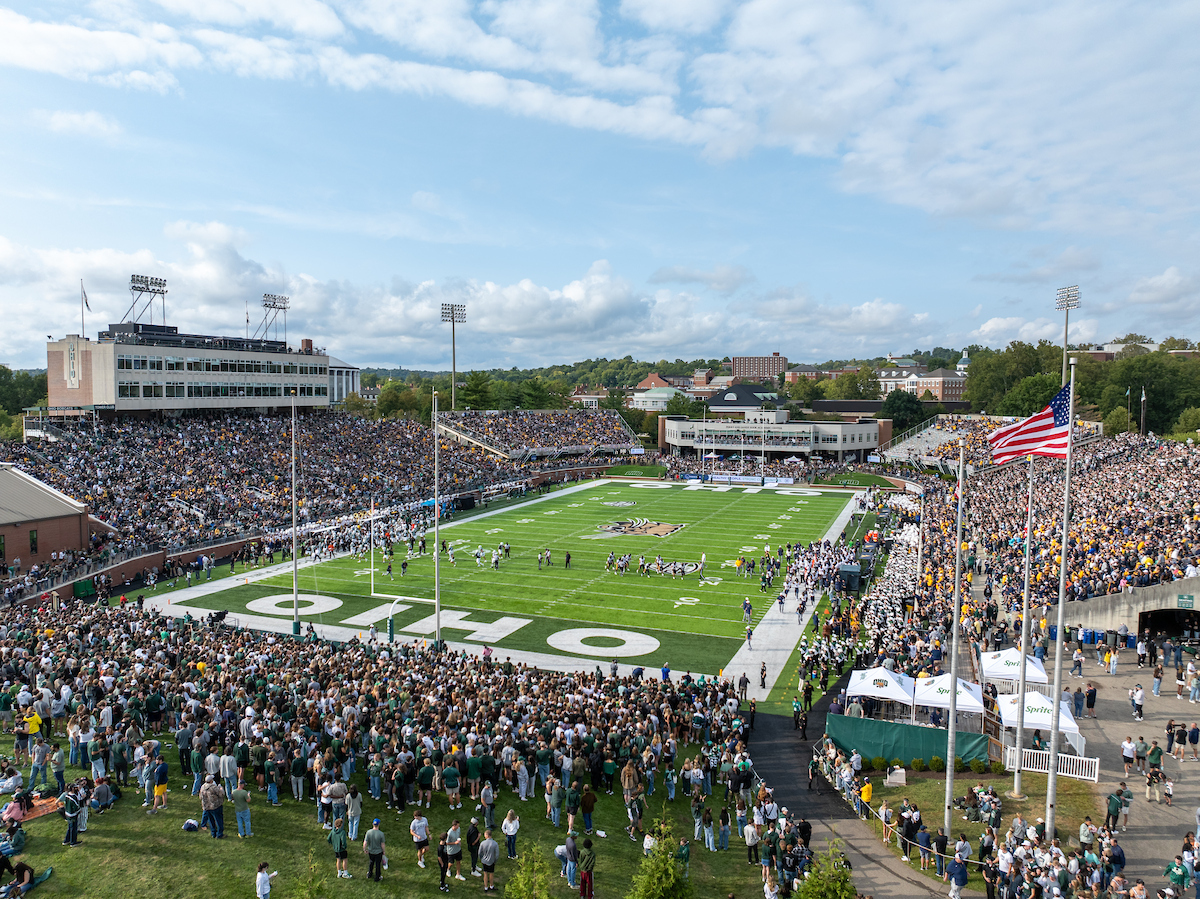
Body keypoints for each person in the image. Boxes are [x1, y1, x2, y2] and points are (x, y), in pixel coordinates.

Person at [364, 818, 386, 882]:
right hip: (378, 852)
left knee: (371, 862)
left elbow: (365, 842)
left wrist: (364, 849)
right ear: (379, 824)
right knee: (378, 864)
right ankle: (377, 877)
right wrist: (383, 851)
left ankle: (369, 874)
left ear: (373, 824)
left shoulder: (368, 832)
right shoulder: (381, 834)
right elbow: (382, 844)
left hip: (371, 851)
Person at [478, 829, 500, 893]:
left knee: (485, 874)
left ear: (487, 835)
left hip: (484, 861)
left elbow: (479, 853)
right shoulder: (495, 843)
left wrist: (481, 858)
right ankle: (491, 885)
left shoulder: (482, 843)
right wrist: (495, 860)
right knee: (491, 874)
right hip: (491, 861)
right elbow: (497, 854)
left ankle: (485, 887)